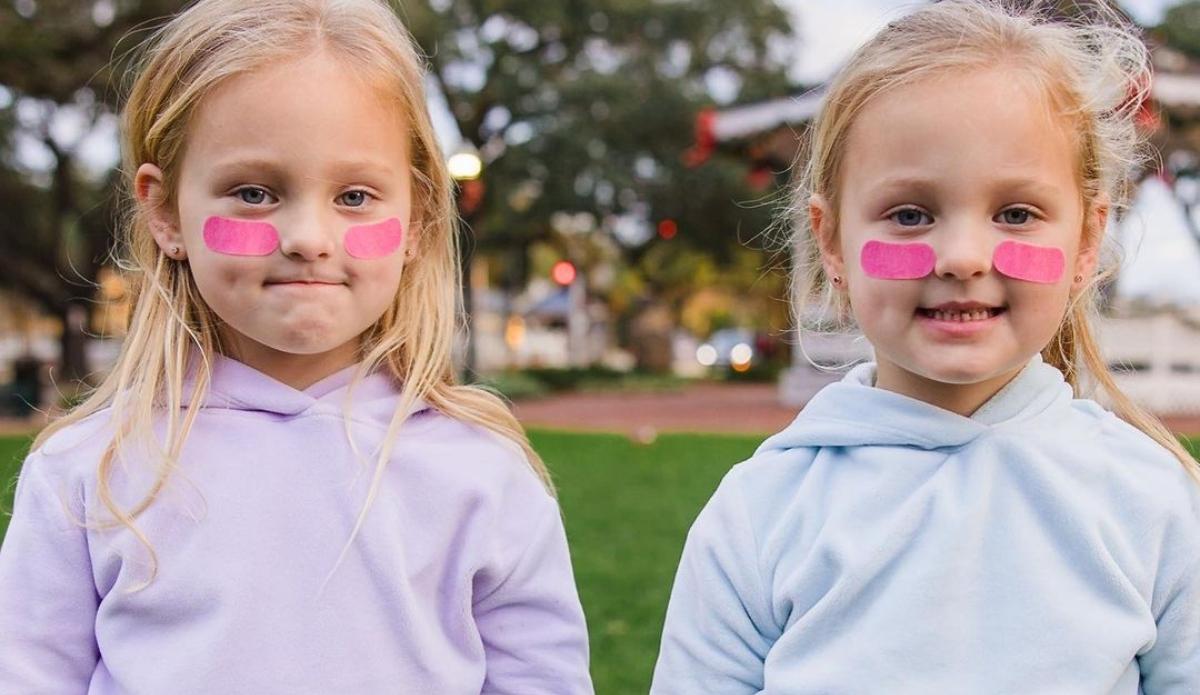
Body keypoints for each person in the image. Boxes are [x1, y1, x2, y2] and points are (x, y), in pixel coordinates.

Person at [0, 1, 593, 692]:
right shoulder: (89, 475)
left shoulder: (484, 474)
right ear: (165, 213)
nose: (308, 236)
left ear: (421, 217)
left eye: (355, 195)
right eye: (254, 191)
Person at [651, 2, 1200, 692]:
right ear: (832, 241)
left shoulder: (1150, 501)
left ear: (1087, 239)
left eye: (1016, 214)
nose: (964, 256)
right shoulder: (761, 513)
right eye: (910, 214)